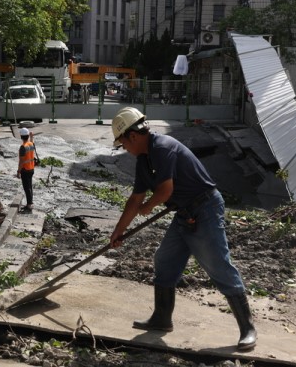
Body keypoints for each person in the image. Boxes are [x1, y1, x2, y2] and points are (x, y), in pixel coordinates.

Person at [109, 107, 257, 351]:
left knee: (218, 264)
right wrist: (118, 232)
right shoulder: (144, 161)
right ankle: (161, 319)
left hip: (205, 208)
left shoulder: (163, 147)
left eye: (122, 143)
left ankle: (248, 328)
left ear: (132, 136)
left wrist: (148, 207)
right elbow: (134, 200)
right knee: (165, 260)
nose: (124, 148)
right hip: (183, 212)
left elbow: (164, 191)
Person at [16, 127, 35, 211]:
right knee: (30, 186)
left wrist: (18, 171)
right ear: (27, 136)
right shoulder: (30, 144)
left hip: (25, 170)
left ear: (21, 136)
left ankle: (29, 204)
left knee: (27, 187)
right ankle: (30, 202)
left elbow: (21, 161)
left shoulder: (23, 147)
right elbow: (31, 142)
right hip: (31, 169)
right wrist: (31, 137)